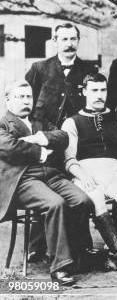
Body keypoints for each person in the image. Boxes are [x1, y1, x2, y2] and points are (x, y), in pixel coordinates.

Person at [0, 81, 92, 285]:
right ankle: (59, 266)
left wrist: (42, 138)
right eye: (20, 97)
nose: (26, 101)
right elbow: (10, 149)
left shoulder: (40, 122)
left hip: (51, 175)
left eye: (28, 97)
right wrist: (41, 151)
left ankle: (76, 256)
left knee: (83, 200)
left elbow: (63, 137)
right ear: (8, 100)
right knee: (55, 204)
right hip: (23, 179)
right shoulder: (3, 124)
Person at [25, 22, 98, 262]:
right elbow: (27, 108)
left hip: (76, 143)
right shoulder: (39, 69)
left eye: (73, 39)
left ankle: (80, 246)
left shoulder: (88, 70)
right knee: (44, 191)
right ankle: (36, 246)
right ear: (55, 41)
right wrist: (36, 138)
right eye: (63, 39)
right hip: (43, 142)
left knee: (78, 193)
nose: (68, 44)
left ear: (78, 41)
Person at [62, 73, 117, 273]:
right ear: (84, 92)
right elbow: (69, 160)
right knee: (97, 198)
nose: (99, 95)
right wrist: (83, 176)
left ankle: (112, 252)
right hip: (86, 173)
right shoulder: (72, 122)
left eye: (103, 90)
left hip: (114, 172)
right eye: (94, 90)